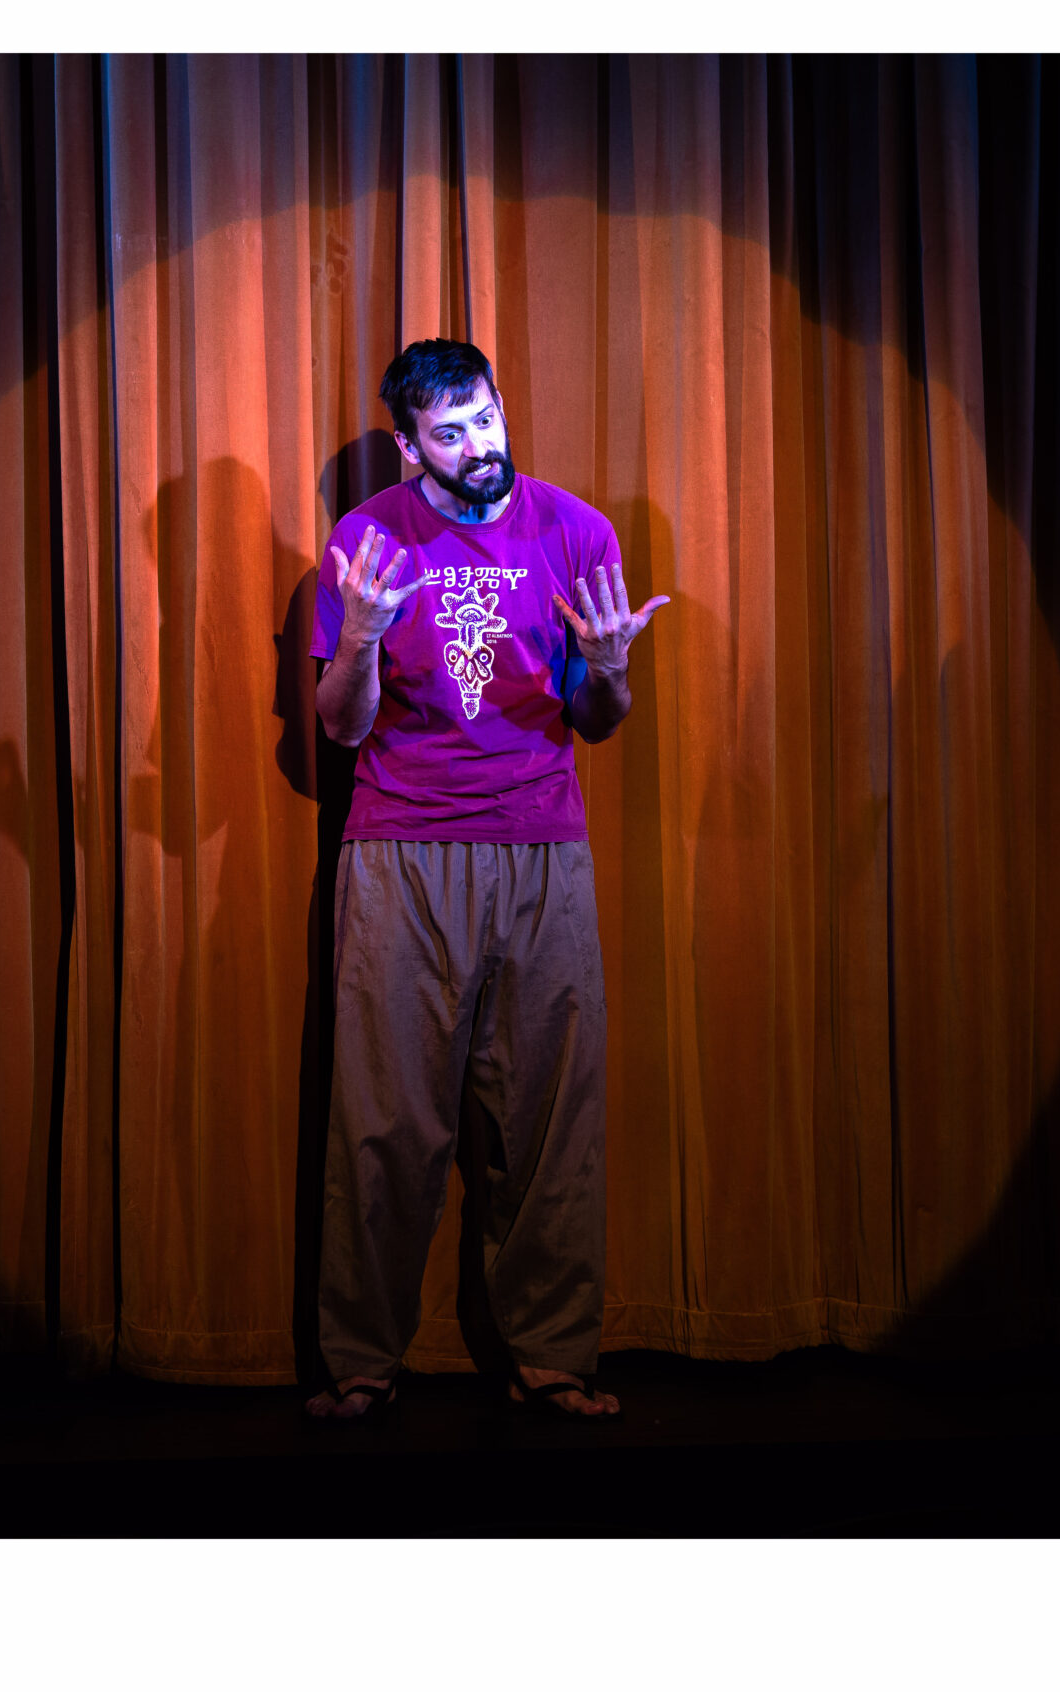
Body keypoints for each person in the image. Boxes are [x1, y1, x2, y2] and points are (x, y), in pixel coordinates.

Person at [304, 339, 666, 1421]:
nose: (478, 445)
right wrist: (359, 639)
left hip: (543, 848)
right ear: (412, 447)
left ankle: (553, 1359)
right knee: (382, 1122)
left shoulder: (576, 531)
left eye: (486, 418)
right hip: (401, 852)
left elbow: (597, 720)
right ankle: (360, 1365)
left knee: (551, 1122)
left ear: (502, 405)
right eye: (450, 433)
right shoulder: (367, 541)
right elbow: (341, 730)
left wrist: (611, 669)